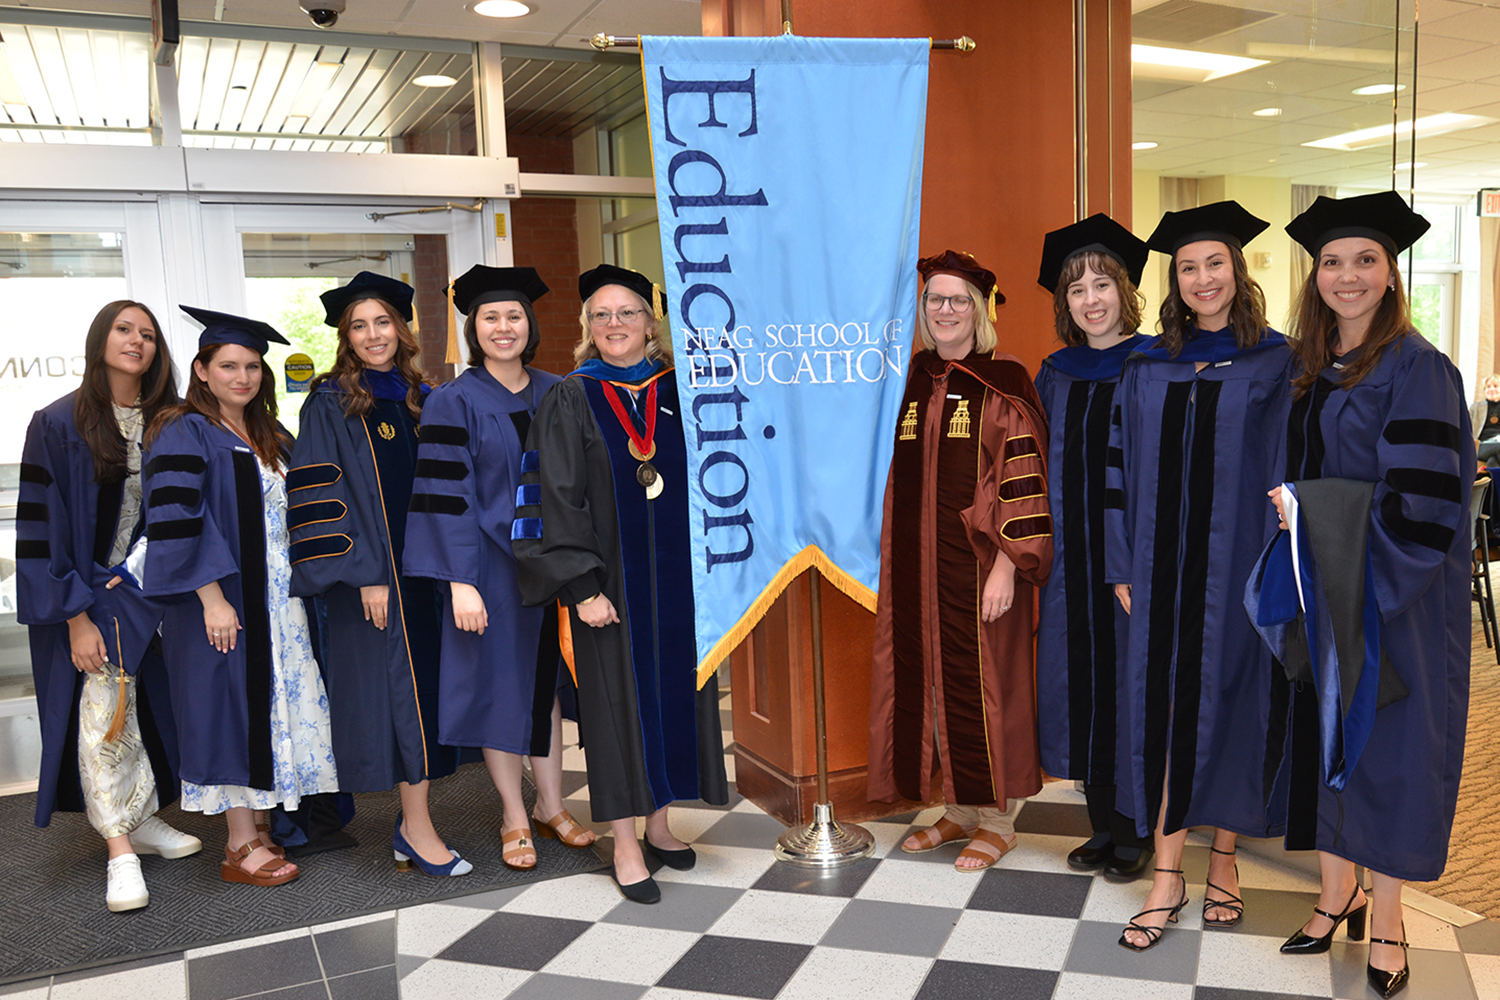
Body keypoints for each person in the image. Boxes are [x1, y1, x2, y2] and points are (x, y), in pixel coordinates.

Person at [1252, 191, 1470, 999]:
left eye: (1365, 261)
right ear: (1316, 276)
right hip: (1325, 591)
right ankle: (1333, 893)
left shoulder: (1421, 369)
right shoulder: (1306, 370)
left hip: (1394, 599)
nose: (1347, 276)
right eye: (1333, 262)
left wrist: (1315, 515)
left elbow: (1426, 502)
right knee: (1323, 744)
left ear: (1391, 273)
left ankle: (1387, 919)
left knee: (1390, 754)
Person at [1106, 202, 1293, 950]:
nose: (1203, 278)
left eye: (1215, 263)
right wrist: (1121, 561)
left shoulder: (1278, 362)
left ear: (1237, 271)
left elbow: (1286, 466)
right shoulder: (1146, 363)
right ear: (1174, 280)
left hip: (1236, 569)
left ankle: (1224, 859)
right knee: (1163, 711)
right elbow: (1116, 469)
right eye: (1188, 267)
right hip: (1156, 570)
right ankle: (1166, 874)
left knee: (1232, 705)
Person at [513, 263, 729, 904]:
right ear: (587, 328)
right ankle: (627, 843)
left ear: (649, 322)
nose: (614, 325)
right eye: (601, 316)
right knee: (614, 713)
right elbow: (551, 499)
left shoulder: (681, 390)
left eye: (627, 313)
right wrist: (581, 587)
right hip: (609, 590)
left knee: (673, 700)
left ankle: (660, 826)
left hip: (681, 587)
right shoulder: (570, 397)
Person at [137, 306, 338, 887]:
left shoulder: (271, 433)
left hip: (281, 600)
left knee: (270, 705)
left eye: (252, 366)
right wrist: (211, 598)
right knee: (227, 708)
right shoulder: (182, 429)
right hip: (223, 598)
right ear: (202, 370)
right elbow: (174, 520)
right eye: (228, 365)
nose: (242, 377)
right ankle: (239, 843)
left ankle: (260, 825)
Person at [867, 250, 1053, 872]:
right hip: (915, 570)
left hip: (980, 571)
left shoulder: (1004, 383)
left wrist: (1008, 563)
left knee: (986, 686)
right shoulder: (910, 382)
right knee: (927, 680)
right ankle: (959, 807)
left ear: (980, 310)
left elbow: (1022, 477)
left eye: (958, 300)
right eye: (934, 300)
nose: (945, 310)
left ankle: (998, 821)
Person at [405, 264, 591, 871]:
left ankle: (552, 805)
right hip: (489, 570)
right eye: (490, 317)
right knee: (498, 692)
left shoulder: (559, 389)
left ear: (529, 324)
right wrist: (461, 582)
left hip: (555, 570)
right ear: (473, 328)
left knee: (547, 688)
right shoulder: (451, 401)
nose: (503, 327)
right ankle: (514, 814)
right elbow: (443, 497)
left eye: (514, 316)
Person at [17, 300, 201, 912]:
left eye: (148, 335)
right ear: (101, 339)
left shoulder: (168, 420)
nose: (137, 342)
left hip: (152, 590)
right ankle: (119, 850)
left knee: (146, 708)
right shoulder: (57, 421)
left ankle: (143, 817)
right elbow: (45, 526)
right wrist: (75, 615)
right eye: (125, 330)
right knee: (104, 715)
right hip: (87, 593)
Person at [287, 271, 469, 877]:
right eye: (359, 326)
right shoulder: (330, 401)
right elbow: (319, 492)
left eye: (383, 322)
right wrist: (366, 573)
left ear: (402, 328)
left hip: (427, 580)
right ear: (346, 336)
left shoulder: (424, 395)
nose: (373, 335)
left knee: (424, 697)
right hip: (373, 584)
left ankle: (409, 824)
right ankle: (416, 827)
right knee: (397, 701)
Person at [1032, 216, 1154, 883]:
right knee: (1082, 687)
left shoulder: (1156, 364)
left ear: (1124, 288)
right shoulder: (1056, 372)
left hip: (1130, 561)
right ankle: (1104, 825)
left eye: (1102, 283)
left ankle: (1136, 829)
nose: (1091, 298)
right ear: (1065, 302)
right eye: (1077, 289)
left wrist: (1133, 556)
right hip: (1070, 564)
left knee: (1129, 687)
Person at [1470, 374, 1500, 463]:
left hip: (1497, 443)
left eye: (1495, 386)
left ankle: (1493, 477)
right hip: (1481, 446)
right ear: (1484, 390)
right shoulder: (1476, 408)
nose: (1491, 389)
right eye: (1488, 387)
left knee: (1492, 461)